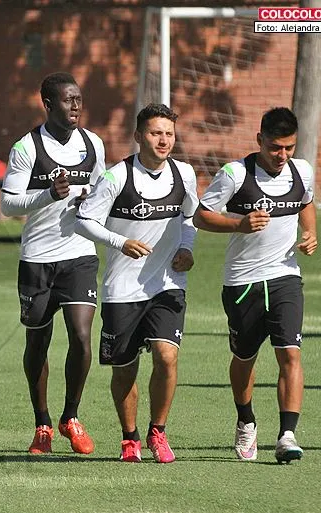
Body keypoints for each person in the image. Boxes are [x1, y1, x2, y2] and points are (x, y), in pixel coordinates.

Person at [74, 103, 198, 464]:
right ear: (138, 136)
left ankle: (158, 432)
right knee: (125, 367)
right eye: (156, 133)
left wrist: (187, 249)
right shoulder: (116, 178)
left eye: (169, 134)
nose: (164, 140)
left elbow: (191, 215)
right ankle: (130, 438)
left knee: (166, 355)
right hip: (122, 288)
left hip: (167, 283)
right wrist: (119, 242)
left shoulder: (185, 174)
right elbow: (85, 221)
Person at [193, 107, 316, 464]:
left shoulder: (302, 171)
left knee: (290, 354)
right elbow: (200, 216)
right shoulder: (234, 175)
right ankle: (245, 419)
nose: (282, 155)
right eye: (275, 147)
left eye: (289, 147)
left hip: (285, 277)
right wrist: (238, 225)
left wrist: (310, 234)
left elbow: (306, 202)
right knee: (244, 358)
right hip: (242, 282)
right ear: (259, 140)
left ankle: (287, 435)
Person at [0, 72, 106, 455]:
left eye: (78, 99)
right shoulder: (27, 148)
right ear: (47, 104)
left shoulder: (93, 143)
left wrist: (91, 204)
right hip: (38, 260)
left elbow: (100, 193)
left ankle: (71, 417)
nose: (76, 106)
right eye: (67, 100)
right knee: (38, 341)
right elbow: (8, 204)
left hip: (79, 255)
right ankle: (42, 423)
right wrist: (47, 195)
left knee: (81, 335)